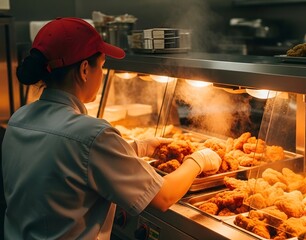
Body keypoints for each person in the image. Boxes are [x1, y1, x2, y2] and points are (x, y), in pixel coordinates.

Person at [1, 17, 221, 240]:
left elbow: (68, 163)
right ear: (85, 69)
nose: (103, 74)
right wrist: (198, 160)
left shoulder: (19, 119)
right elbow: (163, 197)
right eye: (103, 66)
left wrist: (138, 147)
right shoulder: (90, 134)